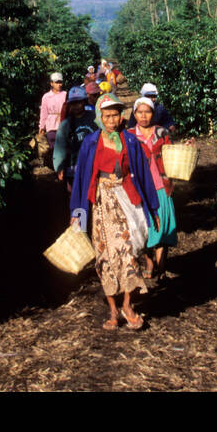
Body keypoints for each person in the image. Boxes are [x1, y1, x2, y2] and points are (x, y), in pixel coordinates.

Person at [69, 93, 161, 330]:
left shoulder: (130, 142)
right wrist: (77, 212)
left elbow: (143, 176)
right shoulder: (91, 142)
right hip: (102, 205)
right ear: (100, 117)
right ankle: (113, 310)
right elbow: (81, 180)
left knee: (130, 251)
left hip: (127, 200)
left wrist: (153, 208)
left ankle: (127, 305)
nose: (112, 120)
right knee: (106, 257)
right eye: (107, 116)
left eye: (116, 115)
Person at [128, 96, 177, 279]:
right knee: (146, 229)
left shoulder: (162, 132)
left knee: (163, 228)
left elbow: (172, 154)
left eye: (147, 112)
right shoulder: (130, 136)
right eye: (139, 112)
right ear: (134, 114)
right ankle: (150, 262)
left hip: (162, 186)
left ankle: (162, 267)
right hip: (141, 189)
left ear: (153, 114)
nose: (143, 116)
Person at [53, 86, 96, 193]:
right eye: (73, 103)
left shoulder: (94, 118)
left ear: (84, 102)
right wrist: (59, 167)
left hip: (93, 164)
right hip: (73, 168)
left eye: (79, 102)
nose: (76, 106)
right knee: (75, 196)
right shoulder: (66, 124)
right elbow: (60, 147)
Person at [37, 72, 67, 170]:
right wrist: (41, 127)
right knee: (52, 146)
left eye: (60, 82)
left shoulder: (65, 95)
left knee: (63, 146)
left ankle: (62, 167)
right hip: (51, 124)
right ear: (51, 83)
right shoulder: (46, 97)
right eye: (57, 82)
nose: (59, 84)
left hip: (62, 123)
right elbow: (44, 112)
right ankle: (55, 167)